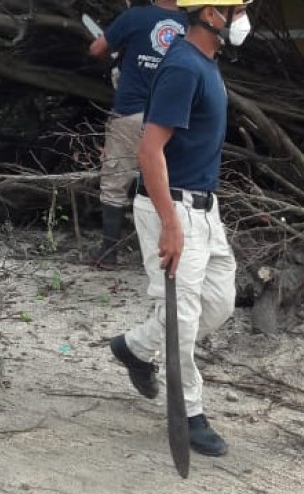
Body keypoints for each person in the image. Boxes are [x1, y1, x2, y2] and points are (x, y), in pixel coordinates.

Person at [109, 0, 254, 456]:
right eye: (239, 9)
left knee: (219, 303)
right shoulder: (183, 68)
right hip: (172, 208)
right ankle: (190, 413)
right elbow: (149, 151)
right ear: (212, 15)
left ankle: (134, 347)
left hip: (204, 208)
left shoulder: (206, 63)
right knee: (183, 318)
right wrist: (171, 226)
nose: (245, 18)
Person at [88, 0, 187, 269]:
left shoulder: (134, 17)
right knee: (168, 182)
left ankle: (109, 252)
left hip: (131, 112)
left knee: (115, 181)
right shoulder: (190, 25)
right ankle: (171, 252)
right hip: (171, 116)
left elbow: (97, 48)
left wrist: (112, 42)